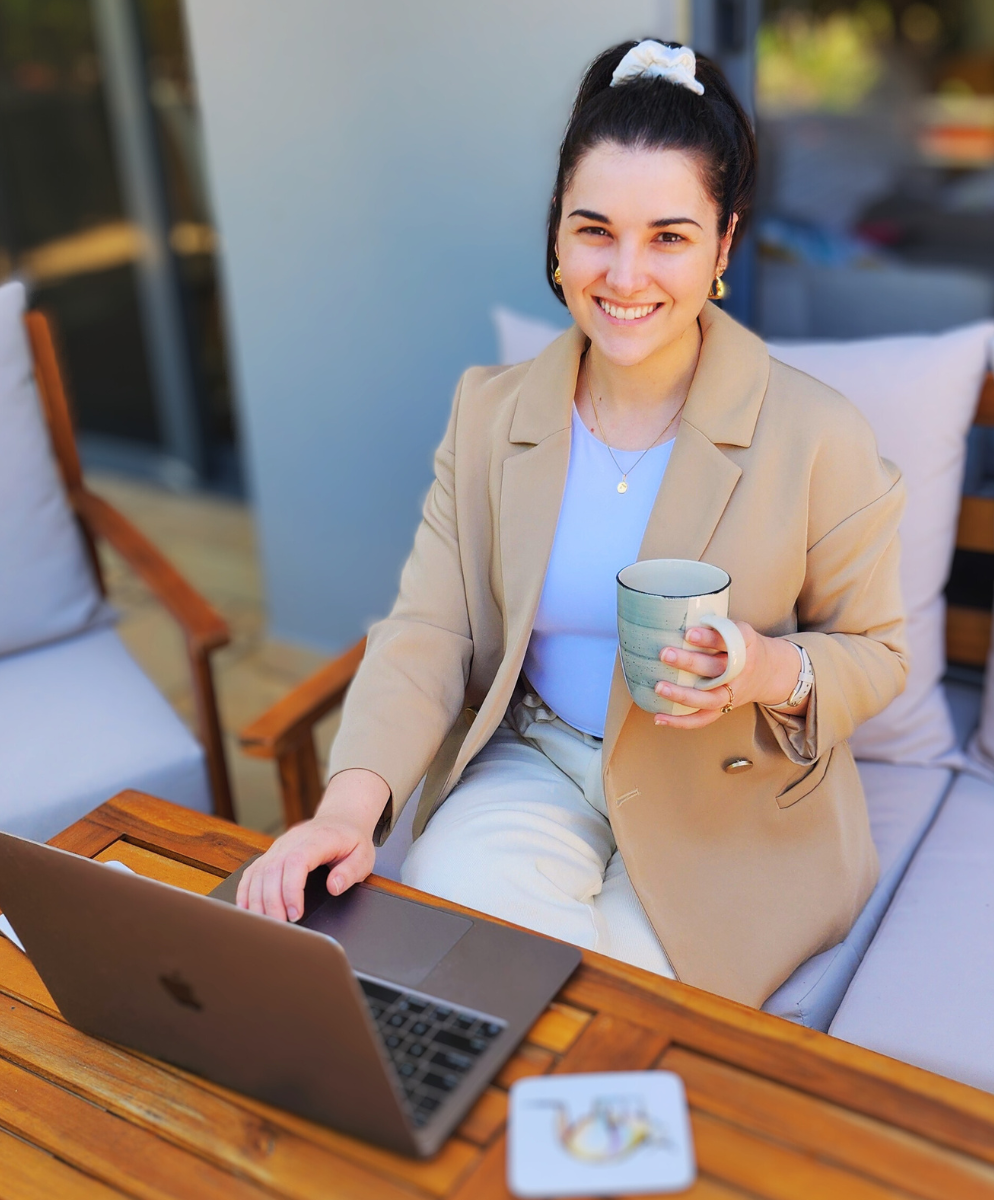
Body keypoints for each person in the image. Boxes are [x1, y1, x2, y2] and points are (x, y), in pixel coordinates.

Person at [238, 39, 907, 1006]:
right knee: (461, 972)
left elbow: (877, 652)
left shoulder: (817, 433)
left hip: (727, 793)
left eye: (670, 237)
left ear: (724, 247)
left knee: (607, 1012)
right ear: (556, 236)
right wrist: (348, 807)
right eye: (595, 230)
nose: (625, 275)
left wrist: (764, 668)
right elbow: (429, 630)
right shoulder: (490, 413)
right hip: (536, 760)